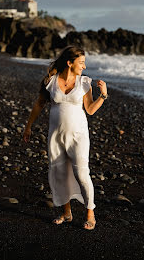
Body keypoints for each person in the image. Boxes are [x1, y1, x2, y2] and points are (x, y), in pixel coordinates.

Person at [23, 46, 108, 230]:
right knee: (60, 174)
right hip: (56, 136)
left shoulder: (85, 83)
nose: (84, 67)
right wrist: (29, 126)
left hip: (79, 136)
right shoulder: (50, 81)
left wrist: (103, 95)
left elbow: (90, 110)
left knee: (82, 174)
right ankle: (66, 213)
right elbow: (39, 104)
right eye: (81, 63)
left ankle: (90, 213)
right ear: (70, 63)